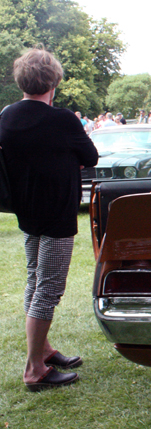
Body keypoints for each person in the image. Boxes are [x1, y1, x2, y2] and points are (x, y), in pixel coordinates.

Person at [0, 48, 98, 391]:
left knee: (34, 279)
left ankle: (43, 350)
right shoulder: (63, 120)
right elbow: (91, 156)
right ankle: (34, 369)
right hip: (57, 213)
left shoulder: (6, 116)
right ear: (53, 81)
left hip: (26, 213)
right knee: (49, 288)